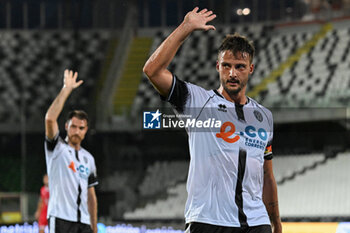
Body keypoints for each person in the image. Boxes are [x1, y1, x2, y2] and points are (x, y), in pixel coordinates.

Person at [143, 7, 282, 233]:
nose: (232, 73)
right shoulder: (196, 101)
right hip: (208, 221)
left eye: (239, 67)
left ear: (251, 69)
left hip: (256, 223)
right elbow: (152, 70)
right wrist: (185, 28)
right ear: (218, 67)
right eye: (226, 66)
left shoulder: (264, 117)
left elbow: (267, 175)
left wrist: (275, 222)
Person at [45, 70, 98, 233]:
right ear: (66, 126)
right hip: (60, 219)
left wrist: (94, 226)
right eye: (73, 126)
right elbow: (50, 119)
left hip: (83, 222)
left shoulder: (88, 158)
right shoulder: (57, 148)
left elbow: (91, 197)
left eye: (80, 128)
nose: (76, 131)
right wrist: (66, 89)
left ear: (86, 130)